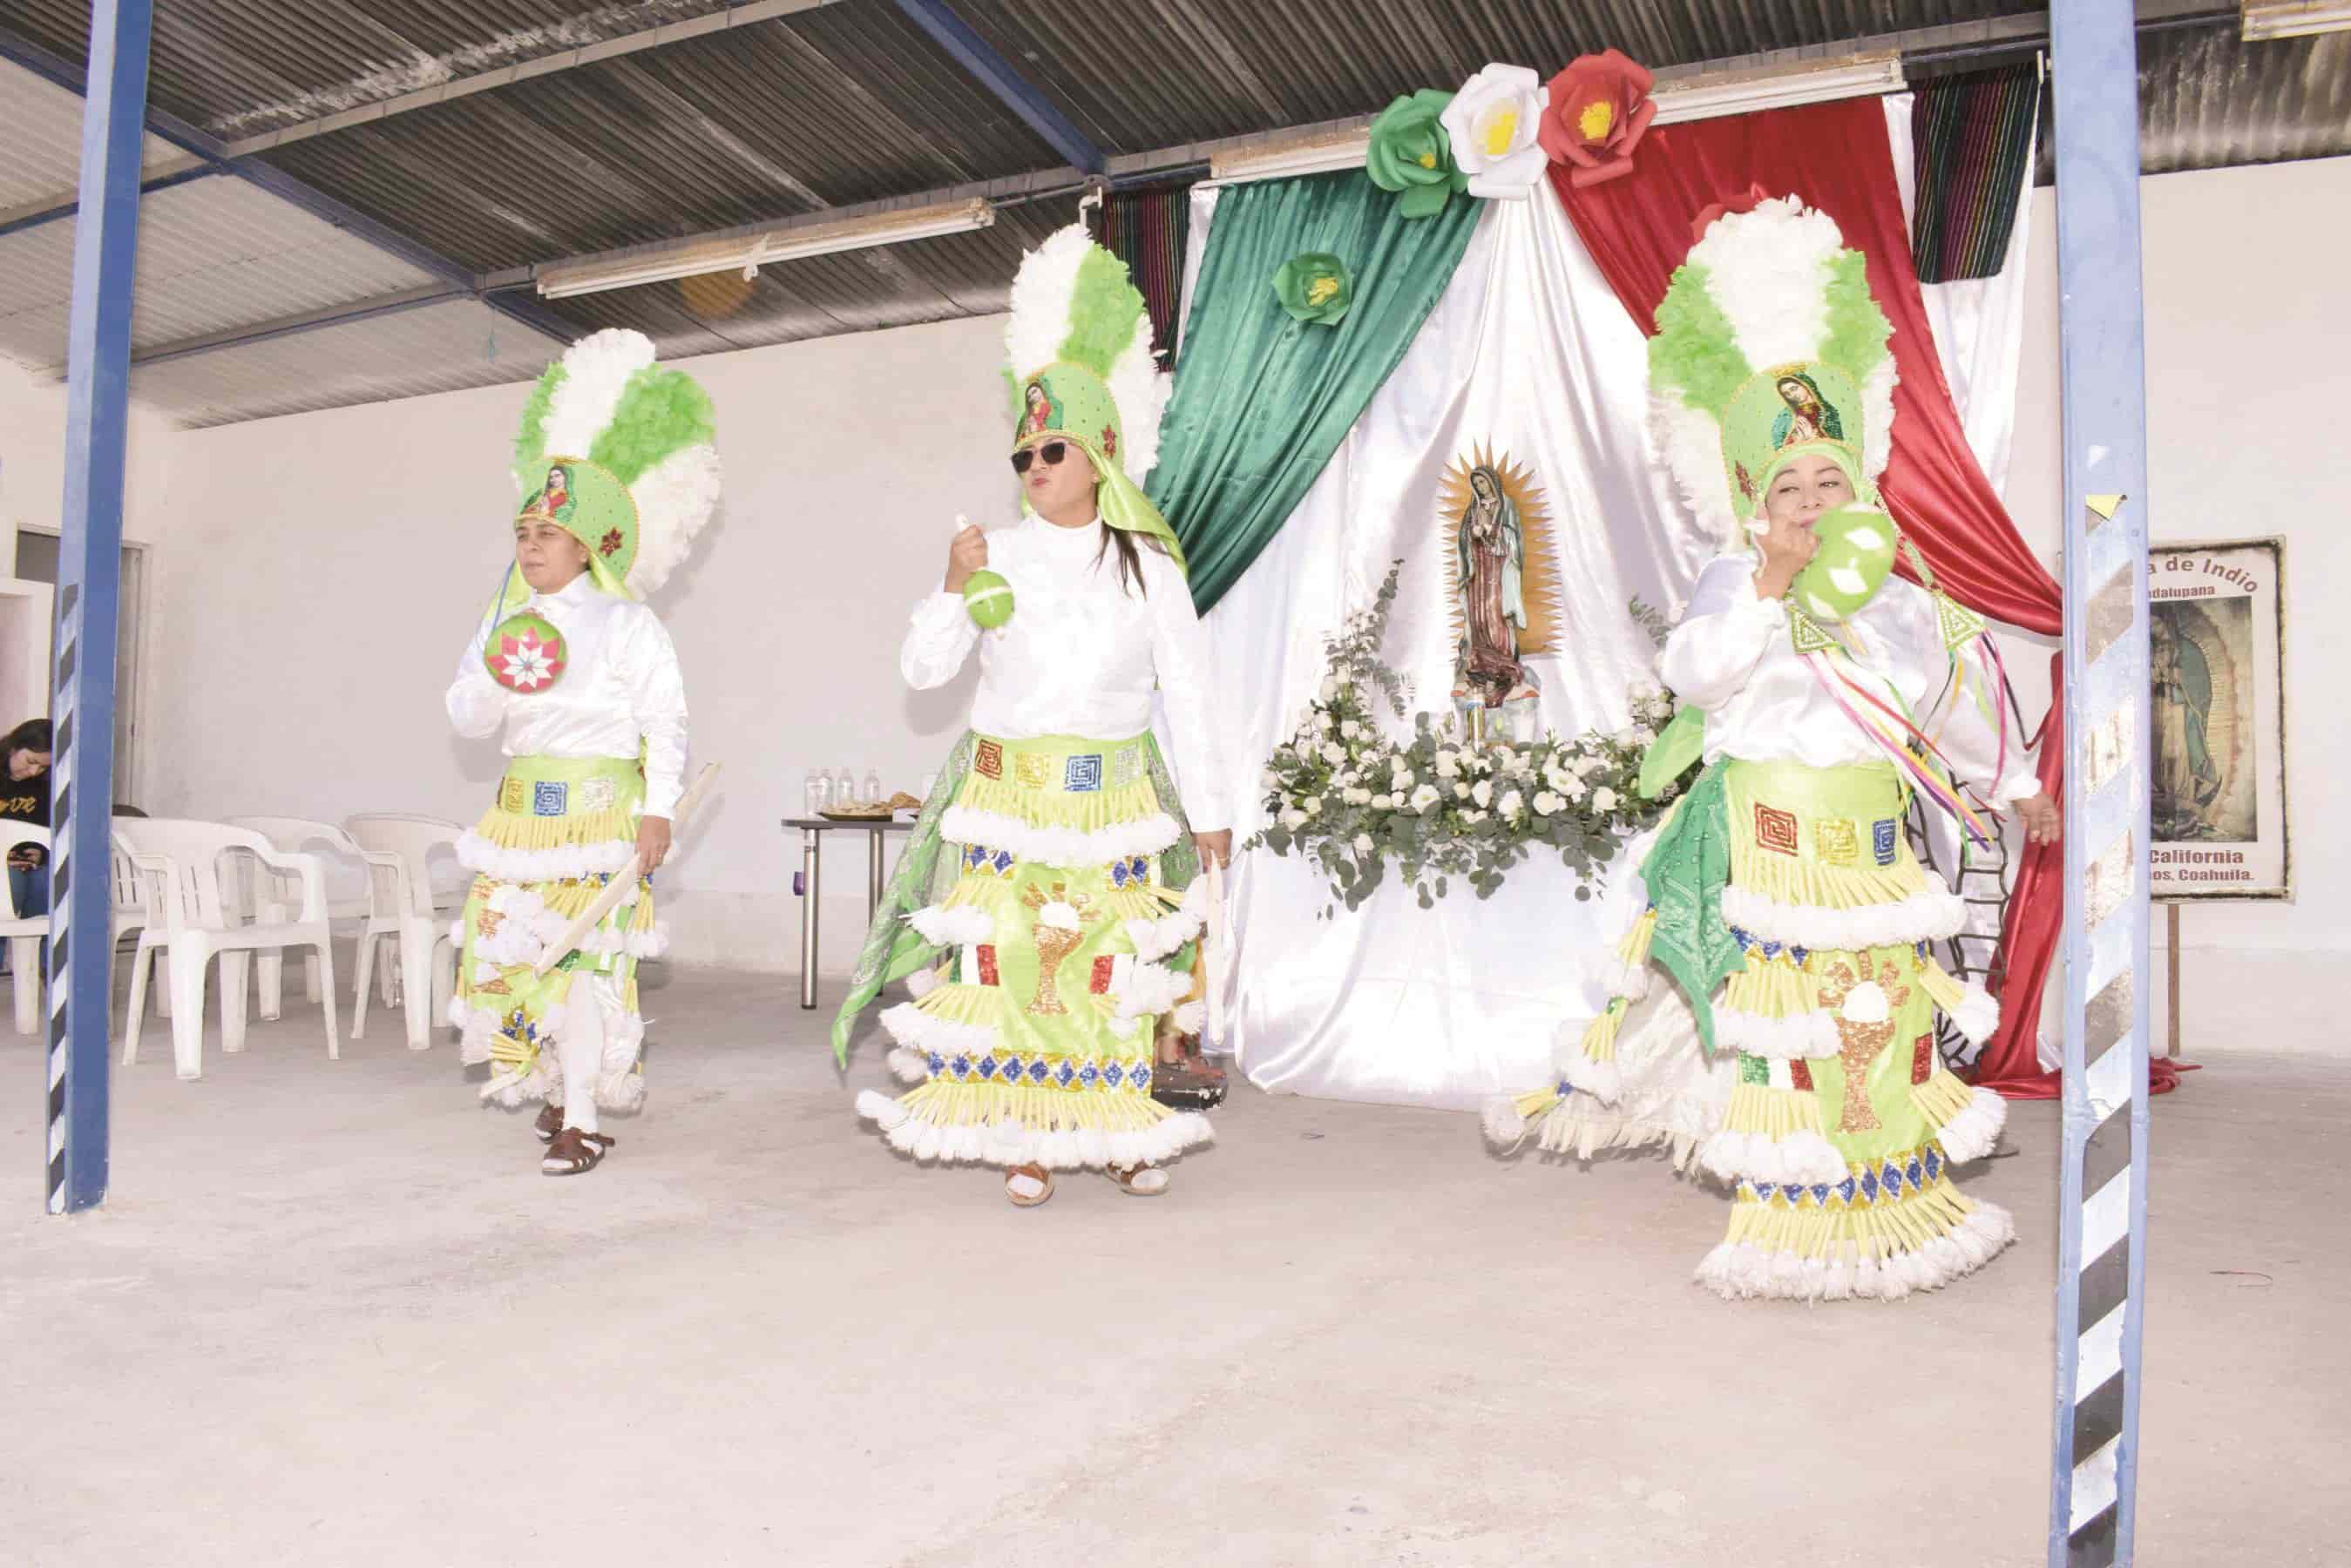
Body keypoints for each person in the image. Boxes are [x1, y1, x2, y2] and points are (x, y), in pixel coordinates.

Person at [1486, 196, 2058, 1301]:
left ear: (1861, 485)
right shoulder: (1733, 582)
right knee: (1787, 1028)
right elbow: (1695, 677)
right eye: (1785, 485)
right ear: (1752, 496)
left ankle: (1889, 1197)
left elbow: (1947, 706)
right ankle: (1791, 1222)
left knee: (1879, 1014)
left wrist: (2019, 784)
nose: (1807, 500)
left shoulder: (1898, 597)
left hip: (1873, 853)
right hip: (1770, 842)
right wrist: (1769, 588)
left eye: (1826, 480)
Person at [837, 225, 1232, 1207]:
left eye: (1050, 446)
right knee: (1012, 964)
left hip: (1114, 802)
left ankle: (1121, 1137)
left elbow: (1188, 691)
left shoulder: (1149, 566)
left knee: (1109, 967)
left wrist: (1213, 810)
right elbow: (925, 674)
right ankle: (1027, 1139)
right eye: (1021, 449)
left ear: (1100, 449)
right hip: (1008, 798)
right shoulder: (994, 555)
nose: (1031, 462)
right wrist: (948, 585)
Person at [443, 328, 719, 1177]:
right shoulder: (501, 621)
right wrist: (494, 679)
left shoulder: (630, 624)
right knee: (519, 956)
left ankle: (585, 1116)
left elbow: (665, 725)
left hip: (601, 815)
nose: (530, 544)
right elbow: (465, 721)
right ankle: (558, 1087)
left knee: (589, 965)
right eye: (524, 529)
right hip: (520, 819)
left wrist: (658, 809)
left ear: (587, 543)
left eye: (548, 532)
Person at [1, 718, 51, 921]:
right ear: (14, 747)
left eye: (42, 767)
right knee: (9, 882)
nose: (34, 772)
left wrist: (40, 854)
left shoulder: (42, 787)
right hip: (5, 867)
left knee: (48, 881)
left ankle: (39, 950)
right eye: (31, 762)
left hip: (27, 864)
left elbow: (48, 830)